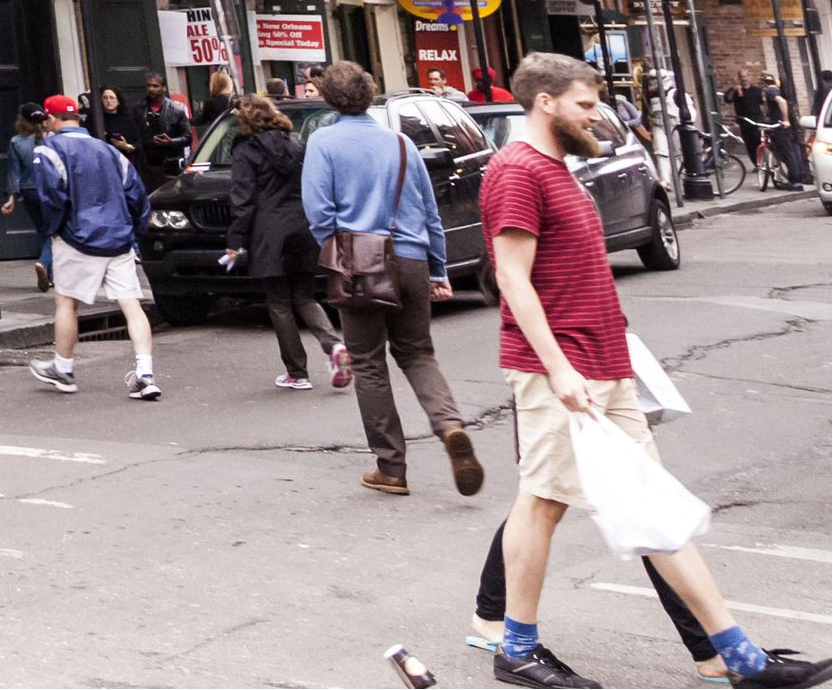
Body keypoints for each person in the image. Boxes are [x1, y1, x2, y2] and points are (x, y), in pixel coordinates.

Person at [471, 53, 827, 689]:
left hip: (602, 362)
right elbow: (511, 280)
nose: (596, 115)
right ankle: (517, 649)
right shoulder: (518, 172)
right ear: (545, 102)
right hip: (561, 369)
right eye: (584, 104)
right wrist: (559, 369)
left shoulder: (558, 169)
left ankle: (734, 655)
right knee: (543, 501)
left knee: (651, 507)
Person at [301, 59, 477, 500]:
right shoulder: (401, 144)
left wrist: (342, 250)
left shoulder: (323, 143)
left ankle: (391, 467)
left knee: (368, 363)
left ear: (328, 98)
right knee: (418, 352)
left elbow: (319, 213)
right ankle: (449, 424)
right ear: (370, 94)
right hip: (412, 257)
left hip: (359, 264)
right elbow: (430, 212)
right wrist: (438, 268)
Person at [21, 92, 160, 402]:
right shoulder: (108, 151)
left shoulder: (49, 150)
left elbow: (50, 198)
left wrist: (56, 230)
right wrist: (134, 234)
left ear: (52, 119)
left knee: (66, 303)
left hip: (77, 237)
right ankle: (145, 373)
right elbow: (137, 195)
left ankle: (64, 368)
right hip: (118, 236)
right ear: (78, 118)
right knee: (131, 304)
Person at [221, 93, 346, 393]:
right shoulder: (298, 146)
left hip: (268, 231)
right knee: (305, 297)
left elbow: (243, 201)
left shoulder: (245, 151)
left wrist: (235, 241)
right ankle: (333, 345)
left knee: (278, 303)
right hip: (302, 226)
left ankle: (297, 372)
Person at [0, 103, 51, 284]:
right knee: (56, 231)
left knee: (43, 231)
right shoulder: (50, 138)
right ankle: (44, 264)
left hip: (29, 191)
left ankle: (50, 276)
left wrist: (12, 196)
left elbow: (14, 171)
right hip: (49, 189)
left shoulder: (16, 141)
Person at [133, 75, 194, 187]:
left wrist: (171, 141)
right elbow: (134, 134)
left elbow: (188, 137)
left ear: (164, 88)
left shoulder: (176, 110)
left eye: (155, 86)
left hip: (168, 165)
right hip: (146, 164)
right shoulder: (138, 109)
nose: (151, 89)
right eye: (149, 86)